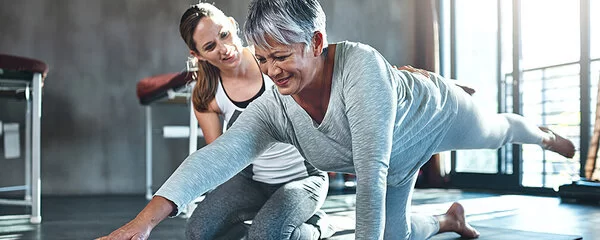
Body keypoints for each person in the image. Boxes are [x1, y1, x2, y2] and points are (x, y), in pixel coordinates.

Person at [101, 0, 576, 239]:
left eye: (282, 56)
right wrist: (141, 224)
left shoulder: (359, 70)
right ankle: (448, 220)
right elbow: (219, 155)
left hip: (433, 117)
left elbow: (371, 177)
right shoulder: (275, 104)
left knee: (496, 132)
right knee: (393, 234)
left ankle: (540, 133)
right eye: (263, 59)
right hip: (393, 158)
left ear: (317, 41)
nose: (271, 70)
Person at [98, 3, 334, 240]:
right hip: (252, 181)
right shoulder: (208, 96)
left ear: (232, 24)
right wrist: (146, 222)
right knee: (197, 232)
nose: (224, 49)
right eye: (210, 46)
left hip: (303, 178)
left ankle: (316, 225)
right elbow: (220, 160)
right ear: (198, 55)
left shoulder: (271, 61)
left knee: (267, 235)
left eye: (224, 34)